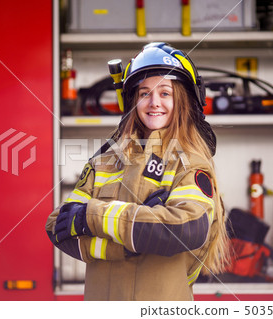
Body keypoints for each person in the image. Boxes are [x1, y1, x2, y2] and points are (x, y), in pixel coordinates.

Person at [45, 42, 229, 301]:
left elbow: (187, 230)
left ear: (183, 99)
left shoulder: (189, 161)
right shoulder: (106, 160)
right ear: (133, 100)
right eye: (144, 93)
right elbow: (58, 226)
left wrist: (93, 216)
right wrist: (133, 242)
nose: (154, 103)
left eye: (165, 93)